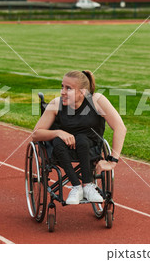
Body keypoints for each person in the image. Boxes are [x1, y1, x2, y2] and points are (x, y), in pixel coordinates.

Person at [32, 70, 127, 204]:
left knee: (82, 138)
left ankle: (88, 186)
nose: (62, 92)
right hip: (63, 151)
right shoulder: (56, 104)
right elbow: (35, 134)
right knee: (58, 141)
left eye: (68, 88)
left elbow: (120, 127)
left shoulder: (97, 100)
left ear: (82, 92)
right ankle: (76, 187)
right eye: (62, 87)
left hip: (91, 149)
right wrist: (58, 132)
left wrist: (112, 161)